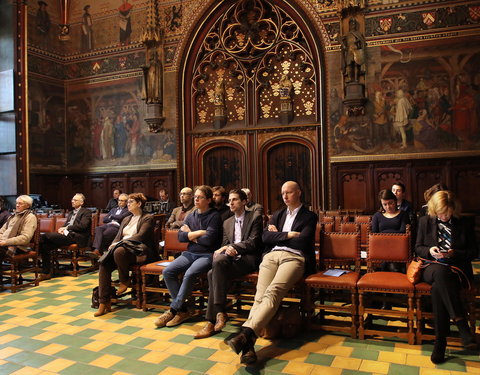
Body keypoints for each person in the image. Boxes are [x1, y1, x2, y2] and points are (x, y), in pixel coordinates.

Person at [227, 181, 317, 364]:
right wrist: (289, 235)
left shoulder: (309, 216)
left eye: (289, 192)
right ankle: (248, 340)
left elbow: (303, 242)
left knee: (273, 292)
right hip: (271, 257)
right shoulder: (278, 214)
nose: (285, 196)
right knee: (259, 295)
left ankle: (246, 334)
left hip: (294, 258)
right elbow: (265, 238)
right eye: (283, 193)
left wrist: (279, 236)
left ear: (298, 193)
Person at [415, 190, 478, 364]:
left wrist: (453, 253)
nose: (443, 216)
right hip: (431, 267)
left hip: (456, 268)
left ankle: (440, 343)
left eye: (447, 212)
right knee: (441, 273)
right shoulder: (424, 222)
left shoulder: (464, 223)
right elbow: (418, 248)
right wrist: (429, 250)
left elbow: (474, 252)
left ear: (453, 209)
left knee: (438, 287)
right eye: (440, 212)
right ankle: (461, 324)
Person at [194, 189, 263, 339]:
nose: (230, 203)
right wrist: (225, 249)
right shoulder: (227, 222)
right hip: (230, 260)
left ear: (244, 202)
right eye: (229, 200)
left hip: (248, 259)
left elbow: (254, 242)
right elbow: (225, 244)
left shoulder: (255, 217)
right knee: (213, 271)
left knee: (214, 270)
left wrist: (233, 248)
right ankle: (216, 316)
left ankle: (215, 315)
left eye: (235, 200)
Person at [154, 185, 222, 328]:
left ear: (209, 200)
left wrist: (190, 234)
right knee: (168, 271)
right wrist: (198, 233)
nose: (196, 199)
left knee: (190, 274)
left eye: (200, 197)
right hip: (190, 253)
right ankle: (183, 310)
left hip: (207, 255)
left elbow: (209, 240)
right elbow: (180, 236)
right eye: (195, 196)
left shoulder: (214, 216)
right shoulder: (191, 215)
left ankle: (173, 309)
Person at [95, 193, 155, 317]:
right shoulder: (126, 219)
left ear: (139, 204)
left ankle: (124, 280)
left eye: (131, 202)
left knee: (119, 250)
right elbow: (117, 237)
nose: (128, 204)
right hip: (122, 251)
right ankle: (103, 302)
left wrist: (120, 243)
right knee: (104, 264)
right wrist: (114, 244)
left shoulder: (148, 218)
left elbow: (140, 237)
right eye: (127, 202)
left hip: (138, 250)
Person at [39, 193, 92, 280]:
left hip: (77, 237)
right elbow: (66, 225)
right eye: (72, 200)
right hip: (67, 235)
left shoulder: (86, 212)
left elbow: (83, 226)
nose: (72, 201)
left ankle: (32, 251)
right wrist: (62, 229)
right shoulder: (71, 213)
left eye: (75, 200)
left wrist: (67, 227)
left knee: (45, 237)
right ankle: (46, 272)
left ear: (82, 202)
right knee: (45, 246)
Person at [88, 193, 131, 259]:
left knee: (104, 234)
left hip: (116, 227)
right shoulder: (113, 209)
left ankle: (97, 251)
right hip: (108, 224)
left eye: (122, 200)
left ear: (126, 202)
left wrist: (111, 216)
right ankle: (97, 251)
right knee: (98, 229)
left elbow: (120, 217)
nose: (119, 202)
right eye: (119, 200)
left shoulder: (128, 210)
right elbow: (105, 219)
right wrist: (113, 217)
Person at [0, 195, 37, 263]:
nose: (17, 205)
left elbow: (25, 238)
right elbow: (1, 231)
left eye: (20, 203)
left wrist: (6, 242)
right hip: (4, 244)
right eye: (16, 203)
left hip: (18, 247)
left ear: (27, 206)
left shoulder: (30, 217)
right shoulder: (12, 217)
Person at [341, 17, 365, 83]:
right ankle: (350, 78)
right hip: (349, 50)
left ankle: (356, 79)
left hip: (356, 50)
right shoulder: (347, 35)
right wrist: (343, 45)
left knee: (356, 64)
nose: (352, 25)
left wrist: (358, 42)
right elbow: (343, 43)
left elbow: (362, 42)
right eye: (351, 24)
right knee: (349, 65)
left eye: (354, 24)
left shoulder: (358, 34)